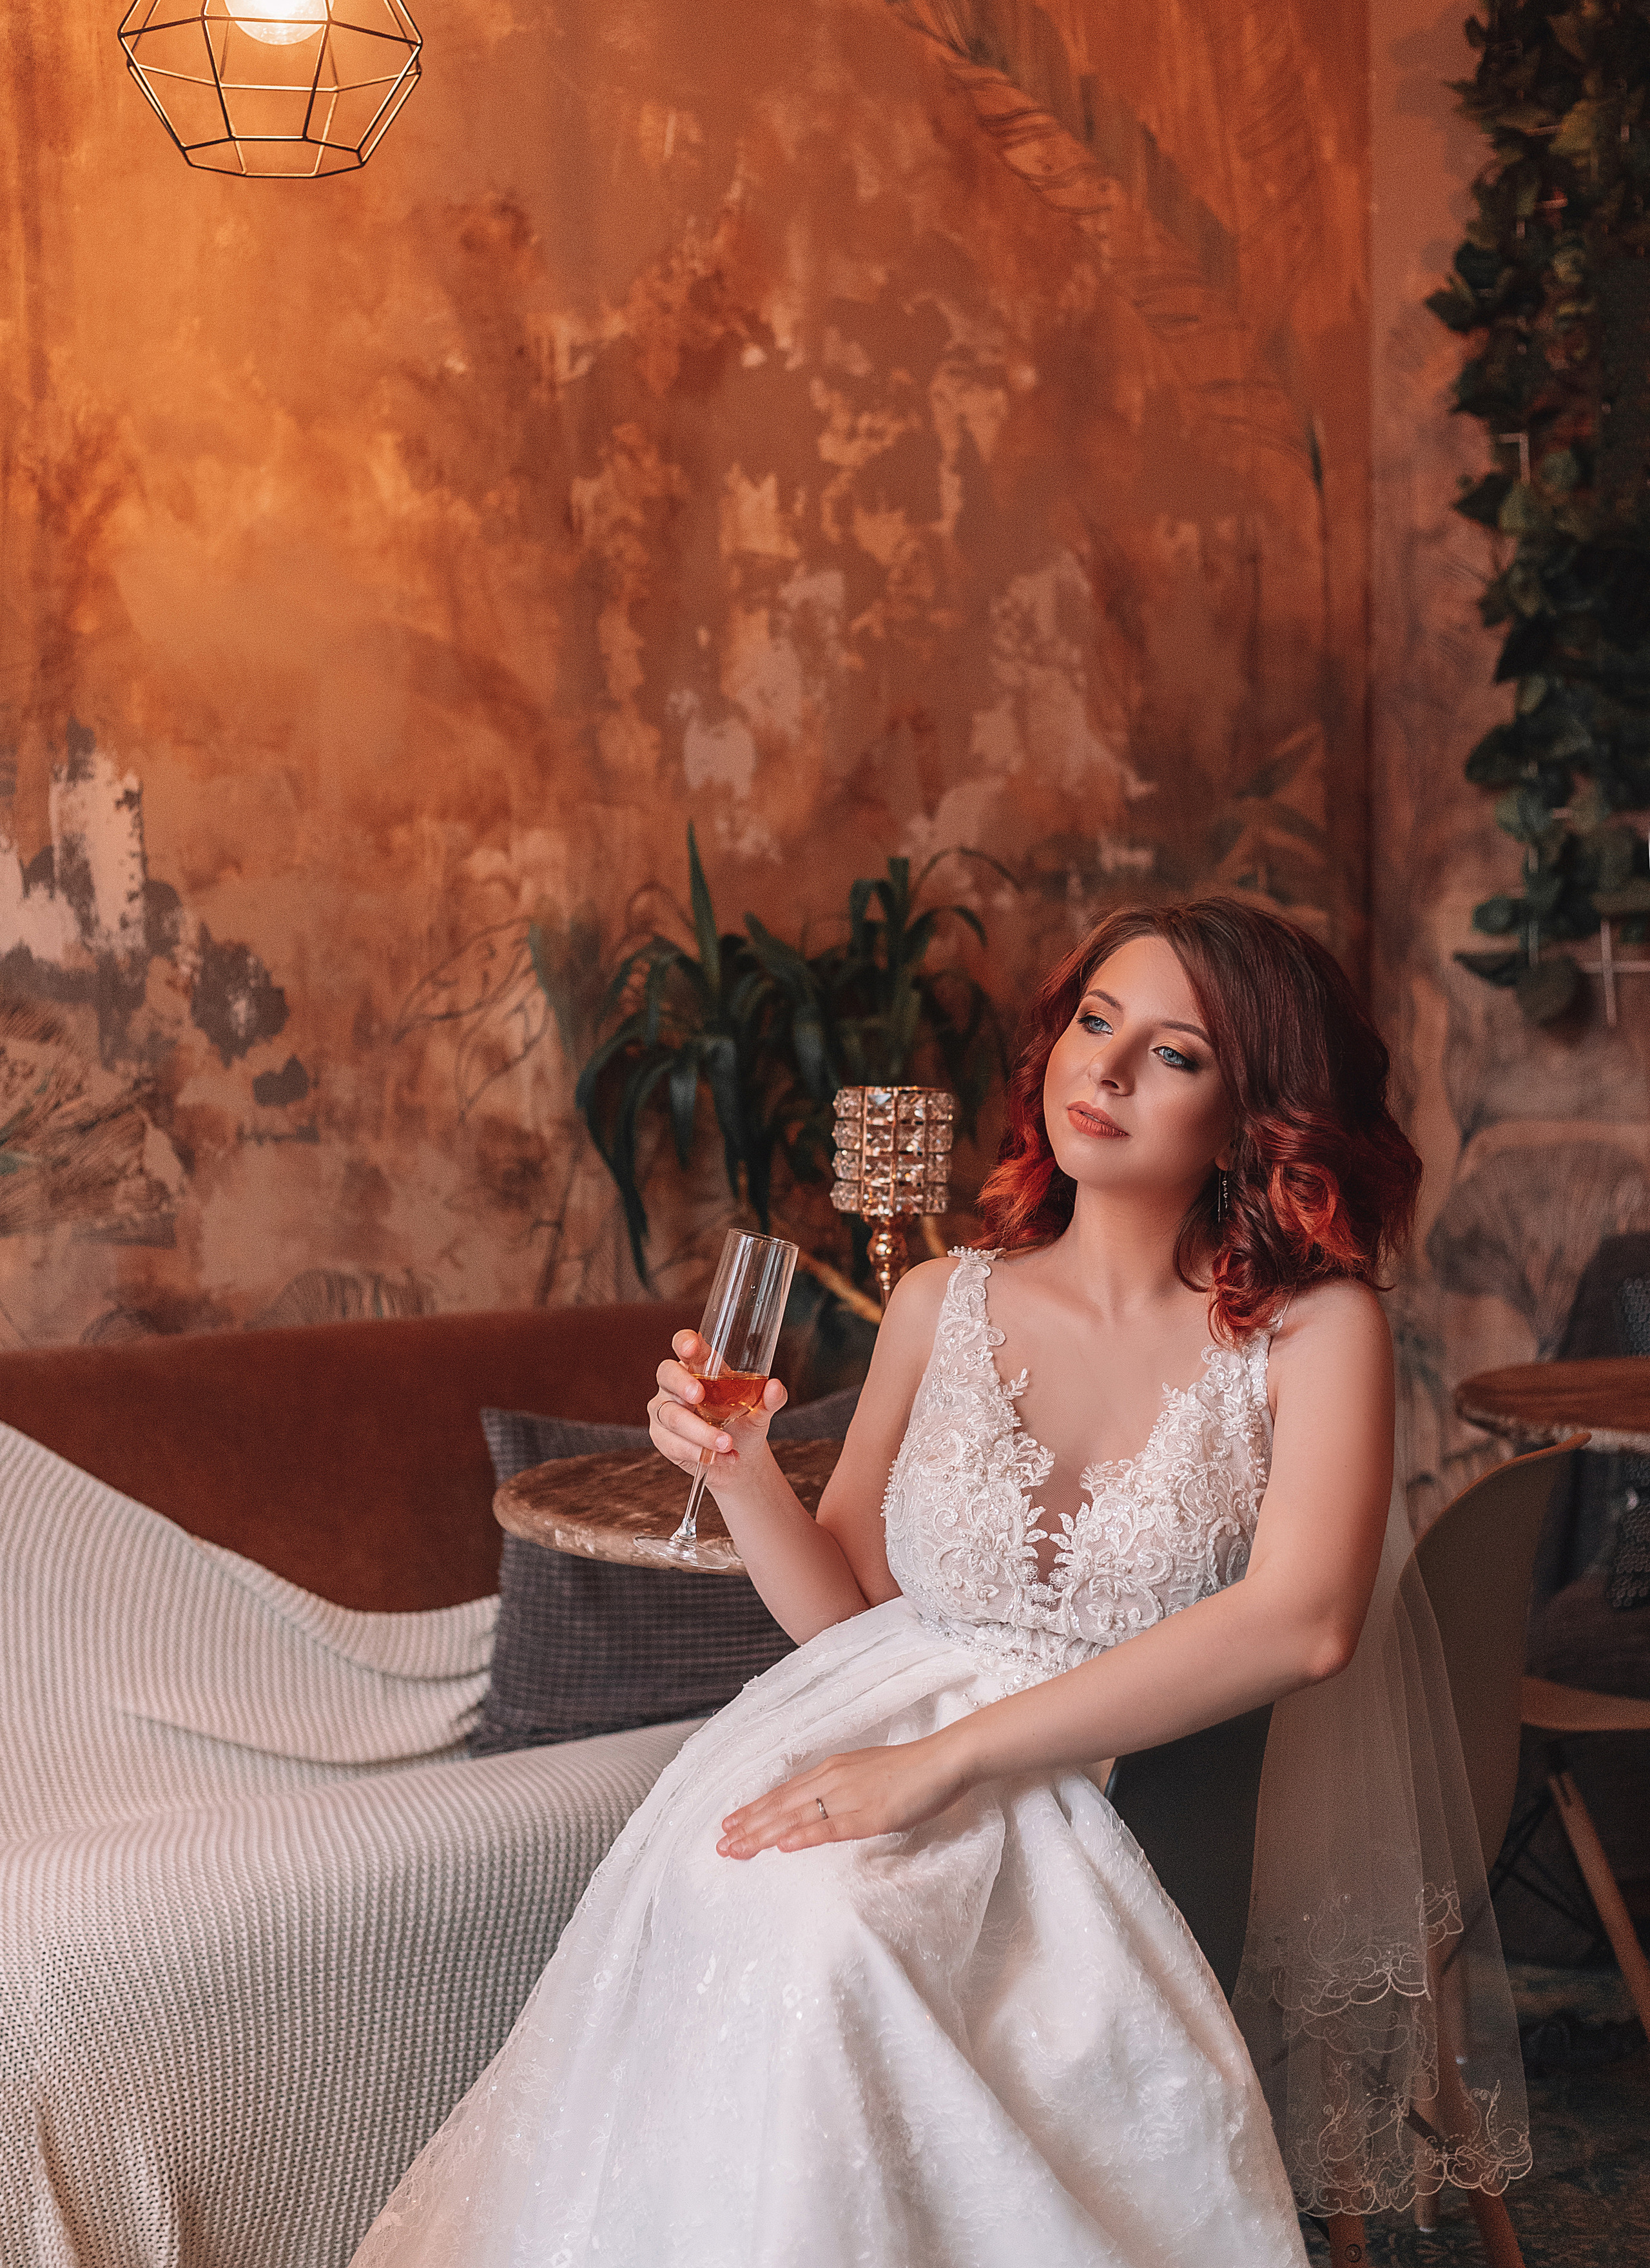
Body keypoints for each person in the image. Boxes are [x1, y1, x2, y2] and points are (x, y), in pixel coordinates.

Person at [350, 897, 1526, 2268]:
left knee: (830, 1932)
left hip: (1122, 1790)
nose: (1105, 1070)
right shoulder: (939, 1304)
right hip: (869, 1730)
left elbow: (1303, 1623)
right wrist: (736, 1469)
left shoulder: (1315, 1332)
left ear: (1253, 1112)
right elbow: (845, 1609)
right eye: (1094, 1023)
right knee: (754, 1891)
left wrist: (945, 1765)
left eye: (1174, 1053)